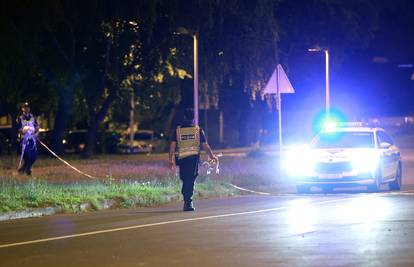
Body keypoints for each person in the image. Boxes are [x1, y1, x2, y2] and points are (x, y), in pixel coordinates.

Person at [169, 109, 218, 211]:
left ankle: (188, 201)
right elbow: (205, 145)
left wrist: (170, 160)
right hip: (193, 159)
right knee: (190, 180)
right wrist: (212, 156)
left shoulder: (177, 130)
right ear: (193, 118)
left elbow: (172, 146)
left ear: (184, 117)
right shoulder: (198, 130)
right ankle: (188, 201)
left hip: (181, 159)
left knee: (185, 178)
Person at [17, 102, 39, 175]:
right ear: (22, 108)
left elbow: (37, 127)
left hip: (32, 139)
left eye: (28, 107)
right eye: (25, 107)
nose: (26, 108)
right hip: (24, 140)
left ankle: (23, 169)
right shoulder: (19, 118)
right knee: (27, 156)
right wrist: (24, 130)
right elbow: (19, 129)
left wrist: (34, 130)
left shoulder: (33, 117)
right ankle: (27, 171)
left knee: (34, 157)